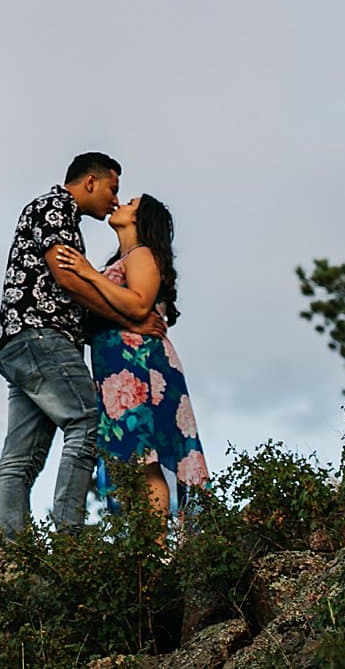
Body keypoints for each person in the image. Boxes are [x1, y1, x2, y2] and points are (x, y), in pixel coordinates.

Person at [0, 152, 167, 539]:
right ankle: (69, 534)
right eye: (113, 188)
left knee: (22, 454)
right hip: (42, 337)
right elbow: (69, 281)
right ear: (91, 182)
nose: (115, 200)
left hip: (20, 342)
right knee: (87, 420)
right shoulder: (56, 208)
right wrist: (132, 320)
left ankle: (16, 550)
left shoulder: (56, 214)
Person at [52, 194, 208, 519]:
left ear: (141, 218)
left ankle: (155, 549)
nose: (122, 201)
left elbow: (139, 303)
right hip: (118, 369)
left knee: (145, 459)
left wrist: (89, 274)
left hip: (140, 367)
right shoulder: (121, 260)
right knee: (132, 462)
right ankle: (142, 548)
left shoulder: (142, 254)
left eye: (133, 201)